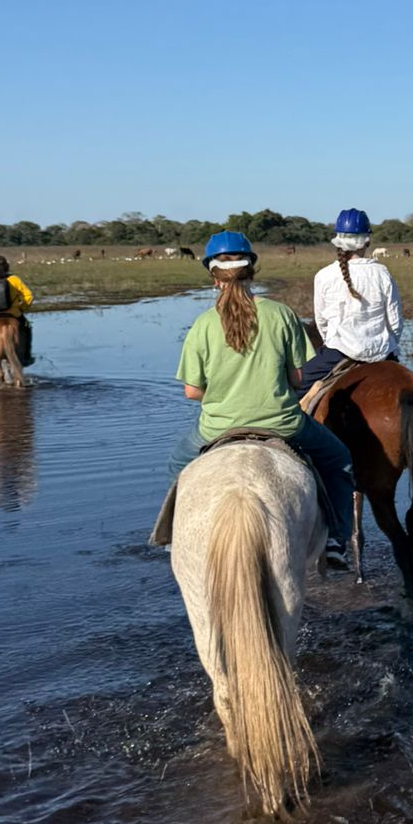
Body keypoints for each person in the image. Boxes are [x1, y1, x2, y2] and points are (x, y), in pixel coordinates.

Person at [170, 231, 356, 571]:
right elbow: (297, 379)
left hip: (217, 427)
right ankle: (336, 539)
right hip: (283, 423)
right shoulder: (281, 314)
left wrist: (225, 394)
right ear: (252, 271)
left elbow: (192, 391)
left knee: (177, 463)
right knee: (340, 459)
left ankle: (174, 538)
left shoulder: (202, 324)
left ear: (214, 277)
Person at [298, 208, 404, 387]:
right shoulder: (382, 273)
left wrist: (330, 341)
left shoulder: (324, 275)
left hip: (338, 352)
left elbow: (321, 322)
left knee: (292, 388)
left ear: (338, 242)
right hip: (382, 353)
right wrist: (387, 346)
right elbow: (395, 323)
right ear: (367, 241)